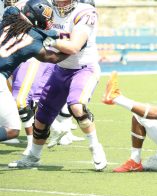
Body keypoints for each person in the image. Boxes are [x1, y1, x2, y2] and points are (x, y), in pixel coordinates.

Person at [8, 0, 107, 171]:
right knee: (41, 119)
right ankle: (33, 156)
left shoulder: (85, 12)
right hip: (59, 69)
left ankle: (95, 148)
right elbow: (22, 9)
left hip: (84, 68)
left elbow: (74, 47)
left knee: (76, 106)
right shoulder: (48, 8)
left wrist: (45, 37)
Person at [0, 0, 68, 144]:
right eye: (47, 17)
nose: (48, 21)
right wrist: (75, 49)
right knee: (12, 129)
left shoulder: (10, 16)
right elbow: (53, 57)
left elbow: (12, 10)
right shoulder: (35, 38)